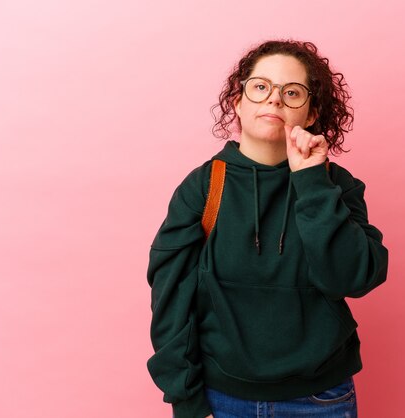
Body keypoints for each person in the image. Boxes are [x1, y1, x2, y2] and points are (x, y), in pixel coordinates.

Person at [146, 39, 389, 418]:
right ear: (238, 102)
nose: (274, 100)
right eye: (261, 87)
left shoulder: (336, 185)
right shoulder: (203, 187)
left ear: (311, 113)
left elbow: (354, 278)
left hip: (321, 399)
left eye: (292, 92)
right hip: (221, 397)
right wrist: (187, 401)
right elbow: (171, 303)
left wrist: (310, 182)